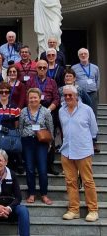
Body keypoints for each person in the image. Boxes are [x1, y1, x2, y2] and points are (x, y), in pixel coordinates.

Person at [59, 85, 99, 222]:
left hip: (83, 151)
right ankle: (74, 209)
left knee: (88, 181)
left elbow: (94, 130)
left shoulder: (87, 110)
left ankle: (93, 210)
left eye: (71, 95)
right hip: (67, 151)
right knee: (70, 182)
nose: (68, 97)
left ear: (76, 96)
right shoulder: (61, 111)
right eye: (66, 95)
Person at [0, 149, 30, 236]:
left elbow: (18, 197)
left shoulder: (12, 174)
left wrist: (8, 208)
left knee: (23, 210)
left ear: (6, 162)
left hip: (9, 209)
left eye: (0, 160)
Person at [19, 88, 54, 205]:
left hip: (41, 142)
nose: (33, 99)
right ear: (28, 99)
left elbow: (50, 128)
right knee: (29, 168)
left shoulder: (45, 112)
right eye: (31, 97)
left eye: (35, 97)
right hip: (27, 142)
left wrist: (50, 143)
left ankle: (44, 194)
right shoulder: (23, 111)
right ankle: (32, 193)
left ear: (40, 98)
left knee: (43, 169)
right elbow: (20, 127)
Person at [26, 60, 60, 175]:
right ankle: (35, 166)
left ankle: (49, 165)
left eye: (44, 68)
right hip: (34, 111)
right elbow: (28, 97)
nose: (41, 69)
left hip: (49, 110)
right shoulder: (30, 81)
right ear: (36, 68)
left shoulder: (52, 82)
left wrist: (48, 110)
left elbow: (56, 98)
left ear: (47, 69)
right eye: (39, 67)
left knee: (49, 138)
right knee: (34, 138)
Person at [0, 82, 23, 174]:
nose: (3, 94)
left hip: (8, 137)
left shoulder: (15, 108)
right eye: (1, 91)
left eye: (6, 92)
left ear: (9, 93)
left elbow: (16, 125)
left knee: (8, 161)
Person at [71, 48, 100, 152]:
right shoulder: (74, 68)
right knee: (80, 116)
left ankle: (94, 141)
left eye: (85, 54)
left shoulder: (95, 68)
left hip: (92, 94)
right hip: (80, 94)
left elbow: (97, 81)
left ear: (88, 55)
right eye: (81, 54)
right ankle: (81, 140)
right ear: (79, 56)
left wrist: (95, 90)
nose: (83, 55)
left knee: (93, 116)